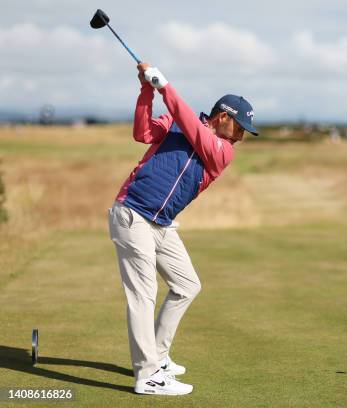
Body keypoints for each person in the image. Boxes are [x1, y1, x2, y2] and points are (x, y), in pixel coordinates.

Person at [108, 62, 258, 395]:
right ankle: (147, 375)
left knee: (187, 285)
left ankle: (158, 357)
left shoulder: (222, 152)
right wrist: (147, 89)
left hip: (160, 223)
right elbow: (143, 133)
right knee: (144, 295)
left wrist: (166, 88)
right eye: (240, 127)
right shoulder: (177, 123)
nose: (242, 136)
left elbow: (195, 130)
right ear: (223, 117)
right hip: (132, 213)